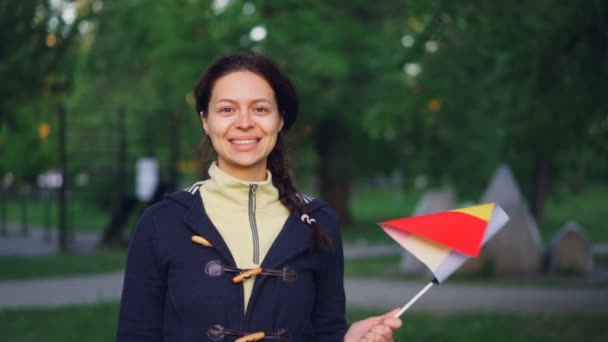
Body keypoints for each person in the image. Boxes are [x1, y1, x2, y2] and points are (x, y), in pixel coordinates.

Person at [116, 52, 402, 342]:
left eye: (260, 109)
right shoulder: (161, 222)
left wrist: (346, 339)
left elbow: (325, 331)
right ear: (205, 120)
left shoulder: (319, 221)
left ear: (280, 120)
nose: (244, 122)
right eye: (227, 110)